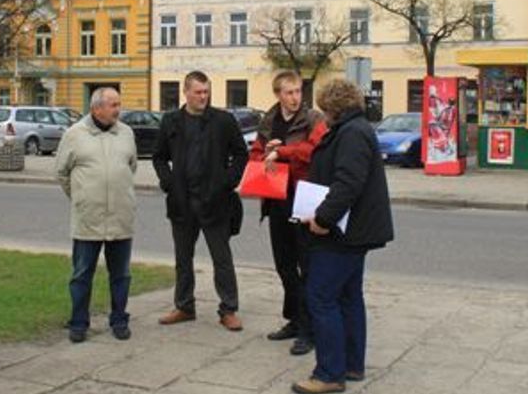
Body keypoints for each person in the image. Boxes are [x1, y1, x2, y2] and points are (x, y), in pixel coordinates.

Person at [292, 78, 394, 394]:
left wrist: (322, 218)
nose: (322, 115)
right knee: (349, 297)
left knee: (321, 297)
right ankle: (351, 364)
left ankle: (329, 373)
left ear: (333, 107)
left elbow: (347, 182)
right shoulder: (356, 129)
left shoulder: (351, 133)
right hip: (353, 231)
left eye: (324, 109)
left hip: (342, 233)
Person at [153, 71, 249, 331]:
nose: (203, 97)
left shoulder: (223, 121)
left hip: (215, 201)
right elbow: (159, 157)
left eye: (206, 92)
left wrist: (227, 182)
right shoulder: (171, 121)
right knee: (183, 258)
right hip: (182, 202)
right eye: (198, 92)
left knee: (222, 258)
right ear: (186, 92)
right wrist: (168, 182)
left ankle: (228, 309)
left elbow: (241, 154)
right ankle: (184, 306)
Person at [248, 70, 327, 356]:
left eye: (298, 92)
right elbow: (256, 153)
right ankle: (294, 320)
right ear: (278, 94)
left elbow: (314, 150)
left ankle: (309, 330)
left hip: (303, 198)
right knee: (284, 264)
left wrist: (283, 152)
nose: (295, 98)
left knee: (307, 265)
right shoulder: (268, 121)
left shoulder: (313, 119)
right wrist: (264, 152)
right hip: (275, 198)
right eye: (289, 92)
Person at [55, 87, 138, 343]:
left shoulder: (126, 133)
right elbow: (62, 173)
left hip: (120, 217)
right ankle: (79, 323)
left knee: (121, 274)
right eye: (113, 105)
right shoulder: (74, 134)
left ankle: (119, 320)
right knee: (82, 274)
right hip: (88, 218)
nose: (118, 109)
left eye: (118, 104)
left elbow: (131, 167)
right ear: (96, 108)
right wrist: (82, 197)